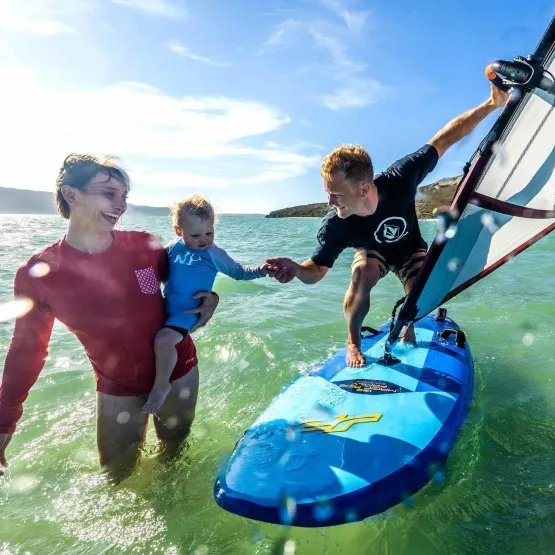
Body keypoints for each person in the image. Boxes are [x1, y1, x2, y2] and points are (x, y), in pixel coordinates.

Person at [0, 154, 219, 480]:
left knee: (174, 459)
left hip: (176, 371)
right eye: (108, 193)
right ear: (71, 194)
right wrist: (5, 421)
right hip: (118, 385)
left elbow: (184, 283)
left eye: (124, 196)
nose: (121, 205)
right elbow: (27, 351)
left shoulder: (144, 246)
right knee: (117, 478)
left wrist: (211, 299)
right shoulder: (40, 274)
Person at [266, 82, 510, 367]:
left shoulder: (400, 179)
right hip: (373, 252)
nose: (330, 202)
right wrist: (297, 269)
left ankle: (409, 327)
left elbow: (443, 139)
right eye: (327, 193)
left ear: (364, 188)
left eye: (337, 195)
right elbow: (317, 272)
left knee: (422, 289)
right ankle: (353, 343)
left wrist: (492, 104)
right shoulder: (336, 225)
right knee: (362, 273)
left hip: (410, 248)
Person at [143, 194, 270, 414]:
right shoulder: (173, 248)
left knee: (164, 341)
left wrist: (262, 270)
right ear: (178, 231)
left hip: (188, 312)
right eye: (195, 235)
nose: (203, 240)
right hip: (166, 307)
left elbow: (239, 272)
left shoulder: (213, 253)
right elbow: (159, 271)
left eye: (209, 233)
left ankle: (162, 385)